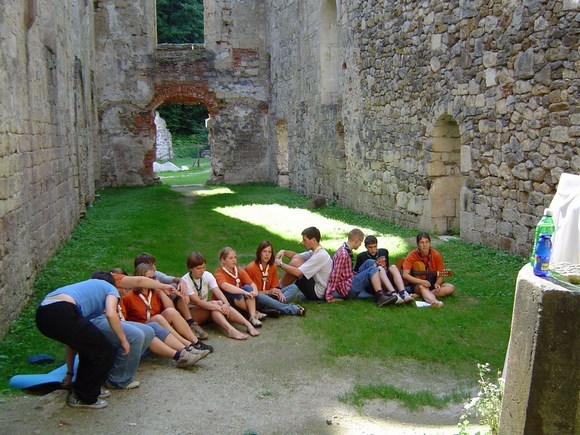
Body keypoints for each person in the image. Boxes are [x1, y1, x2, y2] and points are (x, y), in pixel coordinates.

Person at [35, 273, 124, 409]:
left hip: (42, 315)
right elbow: (111, 313)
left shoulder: (82, 295)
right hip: (62, 310)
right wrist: (123, 340)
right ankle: (83, 396)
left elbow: (73, 344)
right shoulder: (110, 289)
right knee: (104, 350)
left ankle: (88, 389)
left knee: (89, 349)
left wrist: (70, 373)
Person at [91, 270, 181, 390]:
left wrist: (162, 287)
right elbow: (110, 314)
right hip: (97, 319)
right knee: (136, 335)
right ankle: (118, 380)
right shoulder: (111, 292)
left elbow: (139, 281)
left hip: (113, 323)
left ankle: (184, 350)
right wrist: (123, 339)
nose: (123, 289)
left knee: (148, 331)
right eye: (120, 287)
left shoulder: (113, 282)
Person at [122, 263, 214, 353]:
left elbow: (171, 308)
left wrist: (160, 290)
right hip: (143, 327)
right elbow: (125, 322)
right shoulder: (129, 297)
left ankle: (196, 342)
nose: (152, 281)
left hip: (159, 325)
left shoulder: (154, 291)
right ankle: (186, 344)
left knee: (170, 312)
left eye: (153, 278)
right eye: (149, 278)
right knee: (158, 318)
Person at [182, 251, 260, 340]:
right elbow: (197, 302)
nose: (202, 271)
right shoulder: (185, 281)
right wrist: (218, 307)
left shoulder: (207, 275)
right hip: (192, 313)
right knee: (216, 305)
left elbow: (218, 291)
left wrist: (226, 303)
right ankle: (231, 330)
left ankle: (247, 325)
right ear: (191, 268)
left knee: (219, 304)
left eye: (203, 267)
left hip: (206, 308)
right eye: (198, 268)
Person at [134, 253, 208, 340]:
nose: (154, 267)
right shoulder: (135, 288)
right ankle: (182, 333)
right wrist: (160, 288)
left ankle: (190, 322)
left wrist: (182, 283)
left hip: (164, 308)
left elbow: (171, 279)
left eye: (154, 264)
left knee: (174, 287)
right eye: (150, 265)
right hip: (151, 319)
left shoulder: (156, 274)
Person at [324, 229, 400, 307]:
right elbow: (335, 275)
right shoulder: (343, 254)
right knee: (373, 269)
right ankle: (380, 296)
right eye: (360, 242)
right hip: (347, 289)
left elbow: (346, 273)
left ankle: (386, 287)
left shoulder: (345, 250)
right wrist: (329, 296)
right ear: (356, 241)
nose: (360, 245)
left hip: (349, 279)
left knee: (369, 262)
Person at [245, 241, 306, 316]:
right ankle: (291, 309)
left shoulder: (272, 266)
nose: (267, 254)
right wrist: (268, 292)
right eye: (264, 251)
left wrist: (278, 291)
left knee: (293, 287)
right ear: (259, 252)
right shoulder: (251, 268)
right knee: (260, 296)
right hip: (258, 298)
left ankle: (272, 307)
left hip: (271, 296)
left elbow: (275, 286)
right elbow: (248, 292)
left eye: (269, 252)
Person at [274, 226, 333, 301]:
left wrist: (280, 264)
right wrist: (284, 252)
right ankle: (279, 286)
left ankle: (279, 288)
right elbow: (296, 256)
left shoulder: (320, 256)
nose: (302, 243)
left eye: (305, 240)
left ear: (313, 240)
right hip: (315, 285)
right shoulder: (315, 252)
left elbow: (298, 273)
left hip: (318, 293)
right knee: (297, 260)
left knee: (296, 263)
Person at [354, 235, 414, 304]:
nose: (373, 250)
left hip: (386, 279)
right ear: (366, 247)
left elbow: (387, 267)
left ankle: (403, 293)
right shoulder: (361, 256)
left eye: (375, 246)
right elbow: (357, 274)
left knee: (393, 267)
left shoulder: (384, 252)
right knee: (380, 268)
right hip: (374, 283)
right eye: (370, 247)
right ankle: (393, 294)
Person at [402, 232, 455, 307]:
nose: (425, 245)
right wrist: (420, 281)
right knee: (422, 287)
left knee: (450, 287)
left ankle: (421, 295)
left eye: (427, 242)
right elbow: (405, 274)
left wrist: (437, 284)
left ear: (430, 243)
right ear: (418, 245)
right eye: (422, 242)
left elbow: (440, 275)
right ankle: (435, 302)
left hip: (432, 281)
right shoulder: (412, 255)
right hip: (417, 283)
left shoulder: (436, 255)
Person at [214, 247, 264, 327]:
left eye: (235, 257)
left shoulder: (238, 270)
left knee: (248, 288)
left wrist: (255, 291)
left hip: (240, 300)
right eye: (231, 258)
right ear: (223, 260)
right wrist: (244, 292)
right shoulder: (219, 273)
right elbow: (225, 286)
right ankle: (254, 312)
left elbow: (251, 283)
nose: (234, 260)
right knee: (236, 292)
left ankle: (253, 317)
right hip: (226, 302)